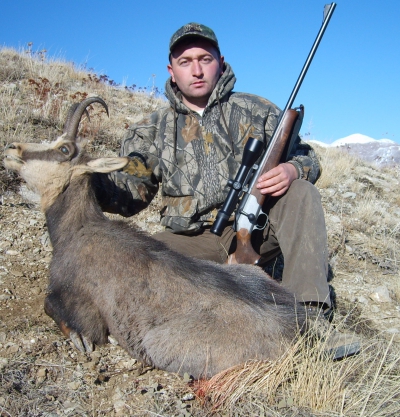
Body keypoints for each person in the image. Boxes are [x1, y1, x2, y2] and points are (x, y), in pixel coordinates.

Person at [95, 23, 360, 358]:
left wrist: (293, 169)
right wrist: (90, 183)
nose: (196, 69)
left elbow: (306, 156)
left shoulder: (257, 109)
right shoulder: (151, 129)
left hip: (258, 229)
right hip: (191, 242)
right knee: (140, 254)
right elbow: (132, 186)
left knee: (302, 193)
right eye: (185, 61)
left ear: (221, 62)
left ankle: (309, 321)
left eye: (205, 59)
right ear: (171, 70)